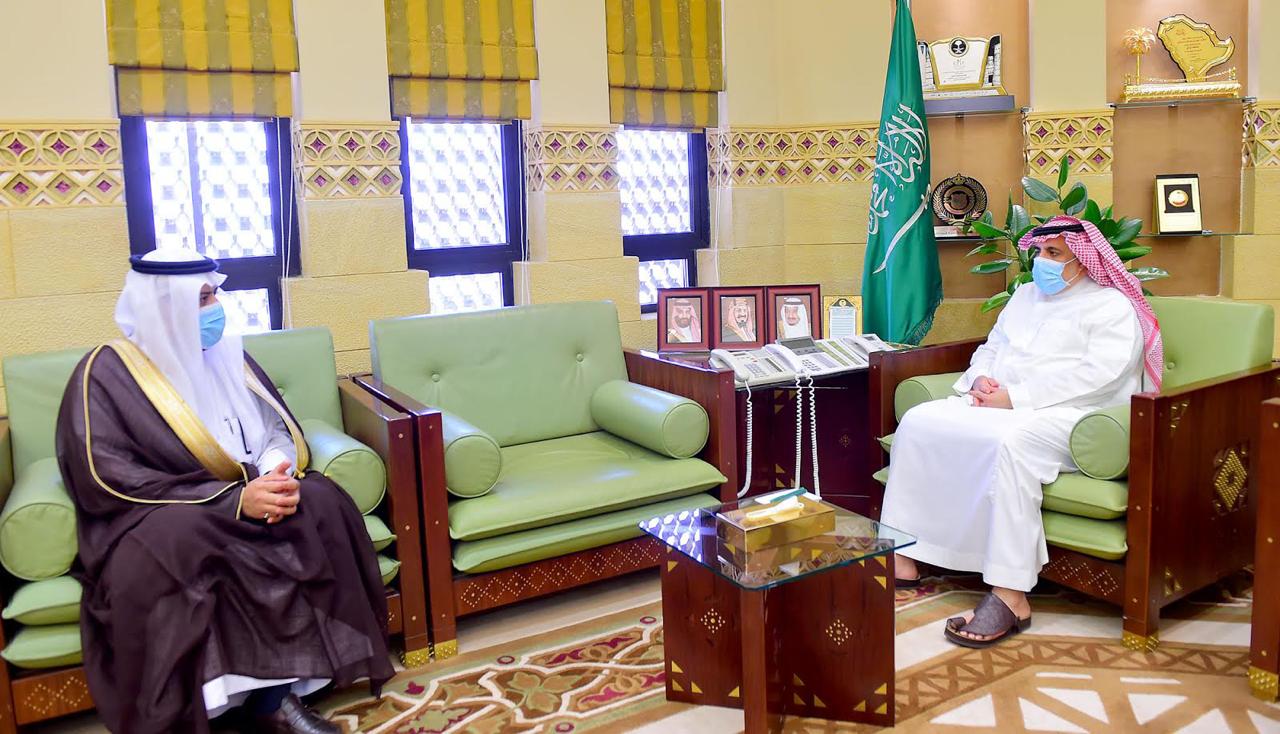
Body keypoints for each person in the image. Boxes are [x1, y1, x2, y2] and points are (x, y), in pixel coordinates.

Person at [55, 248, 394, 733]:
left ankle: (276, 699)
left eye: (214, 294)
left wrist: (275, 474)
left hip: (250, 489)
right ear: (163, 307)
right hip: (166, 512)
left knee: (320, 501)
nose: (215, 309)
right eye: (201, 299)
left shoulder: (229, 356)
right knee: (180, 541)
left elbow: (275, 431)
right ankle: (224, 703)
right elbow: (105, 474)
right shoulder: (106, 372)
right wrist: (232, 502)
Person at [880, 216, 1163, 648]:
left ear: (1083, 261)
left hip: (1072, 414)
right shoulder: (1025, 295)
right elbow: (992, 347)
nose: (1041, 261)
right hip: (1000, 403)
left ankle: (1010, 595)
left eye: (1054, 253)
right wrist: (980, 379)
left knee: (1010, 444)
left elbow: (1100, 375)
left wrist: (1016, 398)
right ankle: (904, 553)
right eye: (1039, 252)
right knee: (919, 422)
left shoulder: (1111, 305)